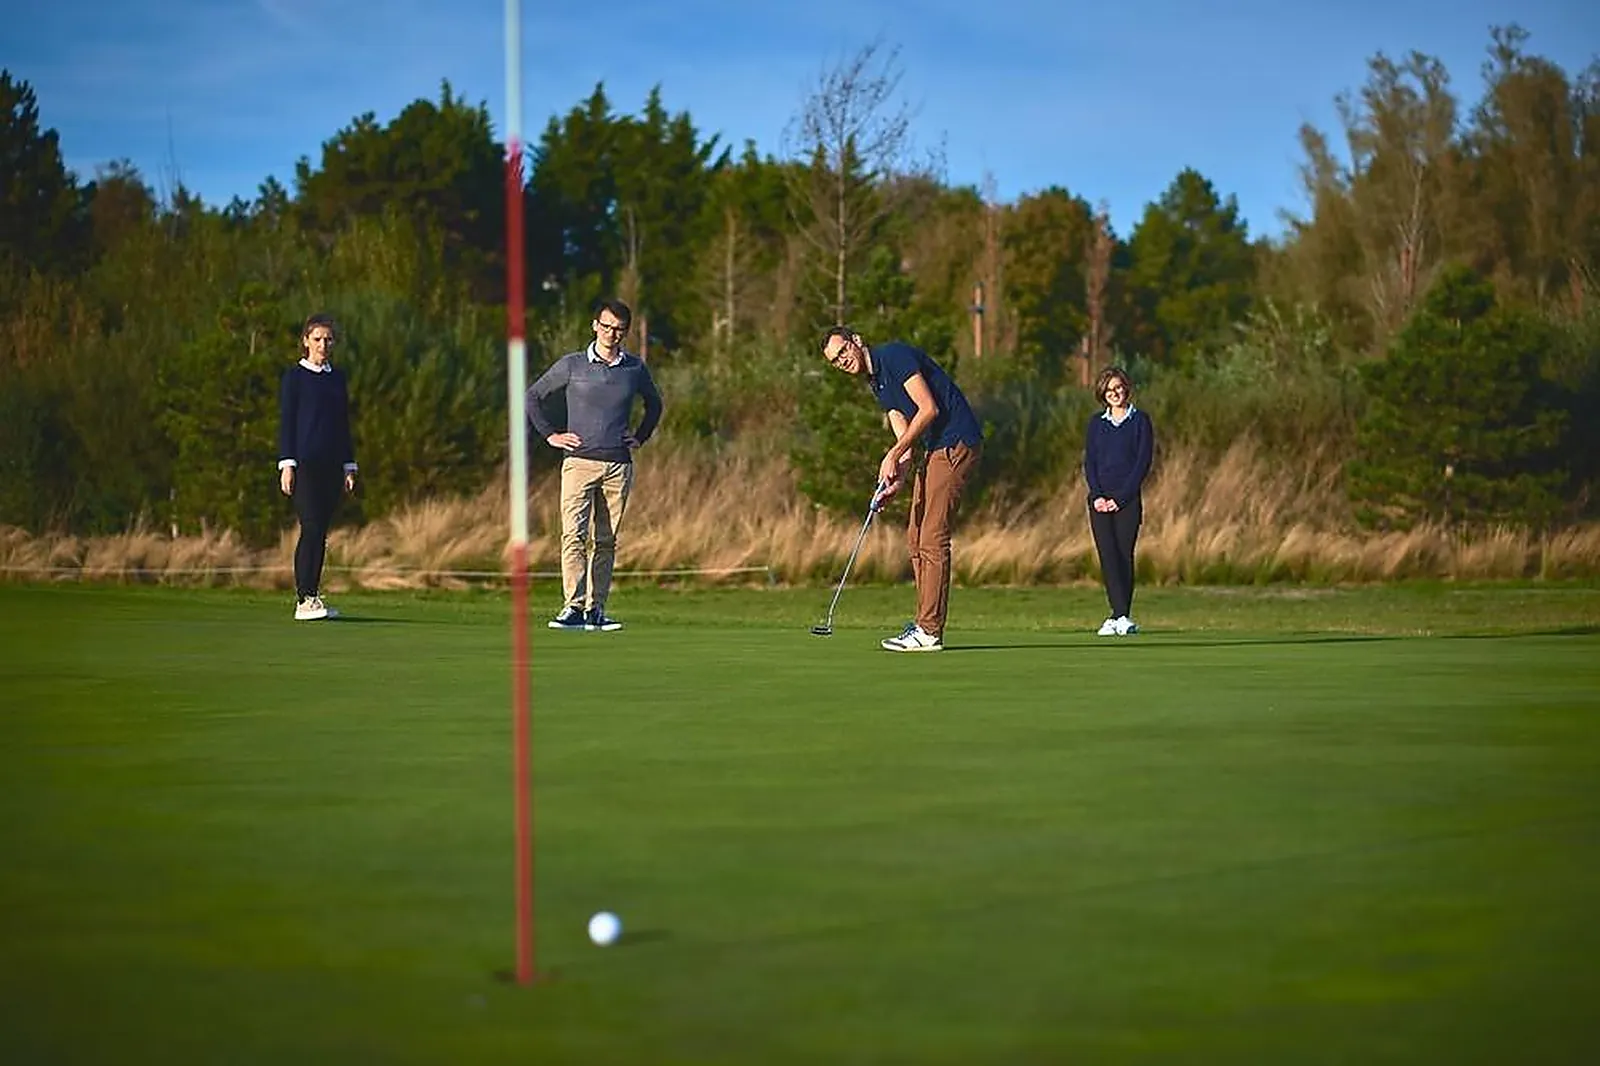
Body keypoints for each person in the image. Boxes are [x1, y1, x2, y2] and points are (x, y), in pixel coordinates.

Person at [819, 326, 983, 652]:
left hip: (956, 441)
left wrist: (892, 455)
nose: (842, 362)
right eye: (835, 362)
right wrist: (896, 479)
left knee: (933, 535)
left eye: (843, 352)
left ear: (857, 341)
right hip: (935, 448)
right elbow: (904, 441)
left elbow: (929, 408)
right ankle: (924, 623)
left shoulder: (893, 356)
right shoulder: (876, 384)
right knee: (915, 535)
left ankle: (929, 630)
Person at [527, 298, 663, 632]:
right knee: (573, 535)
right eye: (606, 327)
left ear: (626, 333)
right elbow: (533, 396)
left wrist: (641, 436)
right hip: (578, 463)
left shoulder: (634, 368)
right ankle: (572, 607)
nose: (611, 334)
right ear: (594, 326)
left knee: (605, 540)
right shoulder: (572, 365)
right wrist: (550, 435)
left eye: (618, 329)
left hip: (618, 465)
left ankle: (596, 610)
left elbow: (655, 404)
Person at [277, 312, 358, 621]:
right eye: (317, 339)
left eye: (328, 339)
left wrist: (349, 465)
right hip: (304, 464)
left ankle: (313, 595)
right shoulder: (294, 378)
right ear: (305, 342)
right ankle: (304, 597)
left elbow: (343, 424)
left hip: (331, 465)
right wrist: (287, 464)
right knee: (310, 526)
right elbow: (287, 423)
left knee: (320, 531)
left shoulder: (336, 378)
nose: (323, 344)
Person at [1083, 366, 1154, 636]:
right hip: (1099, 501)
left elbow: (1142, 463)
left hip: (1127, 501)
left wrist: (1120, 498)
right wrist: (1098, 495)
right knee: (1108, 556)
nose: (1115, 393)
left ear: (1127, 389)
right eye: (1109, 389)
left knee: (1123, 556)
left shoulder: (1140, 421)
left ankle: (1122, 615)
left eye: (1119, 388)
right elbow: (1090, 462)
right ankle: (1117, 614)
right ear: (1103, 393)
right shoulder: (1096, 424)